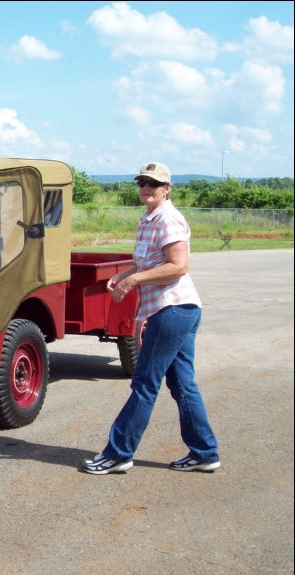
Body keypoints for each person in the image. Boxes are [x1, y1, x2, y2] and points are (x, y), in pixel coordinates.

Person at [83, 162, 220, 475]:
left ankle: (118, 453)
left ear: (167, 188)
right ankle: (204, 452)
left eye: (154, 184)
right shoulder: (149, 219)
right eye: (142, 182)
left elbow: (178, 266)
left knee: (145, 382)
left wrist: (134, 281)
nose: (147, 188)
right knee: (182, 384)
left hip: (171, 309)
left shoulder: (168, 219)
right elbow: (152, 262)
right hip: (178, 310)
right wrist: (124, 274)